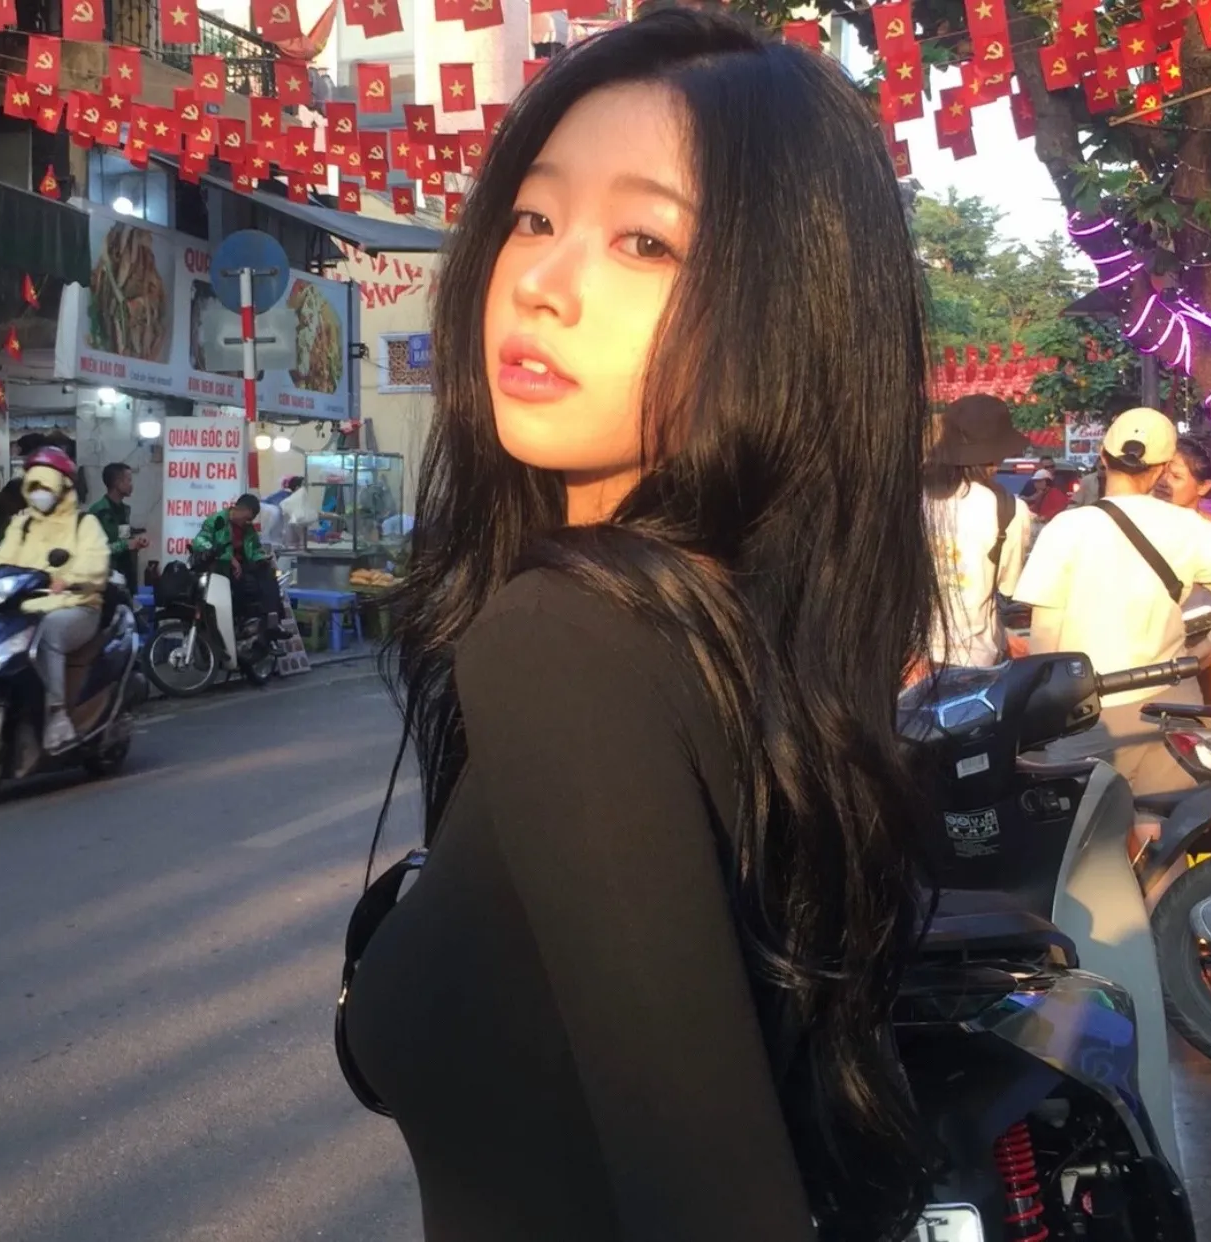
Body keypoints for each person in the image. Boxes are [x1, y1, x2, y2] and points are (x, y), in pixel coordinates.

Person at [338, 10, 937, 1239]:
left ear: (786, 315)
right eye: (533, 219)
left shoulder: (569, 639)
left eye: (645, 242)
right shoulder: (737, 628)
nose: (542, 285)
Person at [1012, 407, 1211, 795]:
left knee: (1088, 824)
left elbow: (1045, 638)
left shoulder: (1067, 528)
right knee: (1160, 822)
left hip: (1090, 711)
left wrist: (1045, 711)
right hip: (1173, 702)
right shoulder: (1188, 527)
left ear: (1103, 456)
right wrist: (1208, 649)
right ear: (1163, 467)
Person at [0, 447, 108, 751]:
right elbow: (0, 559)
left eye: (46, 487)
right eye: (34, 486)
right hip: (26, 608)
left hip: (78, 606)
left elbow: (96, 563)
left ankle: (58, 715)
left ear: (63, 488)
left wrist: (70, 579)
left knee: (46, 633)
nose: (40, 493)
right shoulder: (22, 524)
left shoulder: (85, 523)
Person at [922, 394, 1033, 669]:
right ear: (996, 455)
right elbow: (1007, 584)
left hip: (909, 658)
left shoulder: (912, 498)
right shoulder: (1008, 509)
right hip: (973, 661)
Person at [195, 493, 280, 626]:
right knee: (240, 582)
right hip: (221, 566)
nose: (248, 522)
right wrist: (229, 558)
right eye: (247, 518)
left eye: (250, 520)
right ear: (240, 509)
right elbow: (200, 541)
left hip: (243, 565)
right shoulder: (217, 521)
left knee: (270, 573)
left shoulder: (248, 529)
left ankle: (271, 618)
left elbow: (255, 549)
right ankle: (238, 622)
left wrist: (262, 558)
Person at [86, 462, 148, 587]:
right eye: (128, 480)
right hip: (106, 574)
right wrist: (126, 544)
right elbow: (95, 549)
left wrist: (136, 543)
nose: (131, 485)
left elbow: (123, 538)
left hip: (125, 569)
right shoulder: (98, 512)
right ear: (117, 483)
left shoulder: (124, 510)